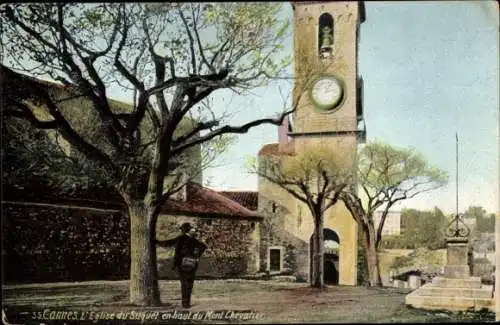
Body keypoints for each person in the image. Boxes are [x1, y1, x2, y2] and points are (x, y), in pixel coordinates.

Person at [156, 222, 207, 309]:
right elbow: (203, 246)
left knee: (184, 283)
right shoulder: (194, 239)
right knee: (189, 283)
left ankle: (185, 303)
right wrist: (197, 256)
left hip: (182, 263)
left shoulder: (181, 238)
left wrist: (156, 242)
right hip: (192, 263)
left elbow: (167, 243)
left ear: (183, 230)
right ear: (189, 230)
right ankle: (187, 302)